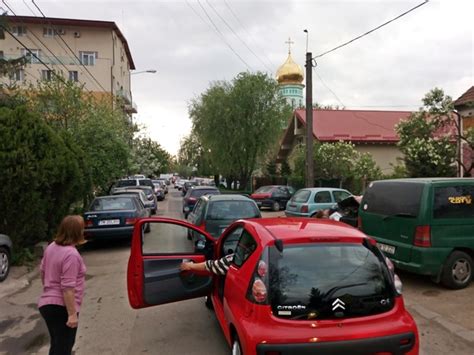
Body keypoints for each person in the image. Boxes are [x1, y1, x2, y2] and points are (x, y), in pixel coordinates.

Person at [38, 215, 87, 355]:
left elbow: (42, 271)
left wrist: (49, 291)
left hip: (47, 304)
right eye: (82, 229)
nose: (83, 232)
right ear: (77, 232)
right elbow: (67, 288)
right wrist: (72, 314)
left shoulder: (51, 247)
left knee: (57, 345)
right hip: (62, 308)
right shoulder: (71, 255)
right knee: (63, 347)